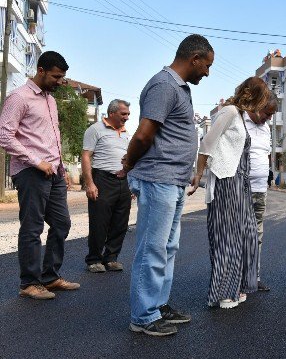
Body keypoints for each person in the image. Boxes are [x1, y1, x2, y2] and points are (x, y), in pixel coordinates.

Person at [123, 34, 214, 336]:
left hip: (172, 180)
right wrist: (128, 163)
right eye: (207, 65)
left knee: (167, 248)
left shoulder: (179, 88)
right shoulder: (164, 85)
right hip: (157, 179)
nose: (207, 72)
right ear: (194, 58)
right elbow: (143, 134)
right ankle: (143, 316)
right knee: (152, 248)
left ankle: (158, 305)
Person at [0, 51, 79, 300]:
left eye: (62, 77)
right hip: (30, 172)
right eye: (56, 76)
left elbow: (52, 138)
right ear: (41, 70)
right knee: (32, 227)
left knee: (62, 223)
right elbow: (4, 135)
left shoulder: (50, 100)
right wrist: (37, 161)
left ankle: (50, 276)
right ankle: (29, 283)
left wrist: (61, 169)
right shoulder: (19, 97)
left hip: (54, 172)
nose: (59, 81)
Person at [189, 77, 271, 309]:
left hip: (240, 183)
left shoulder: (240, 116)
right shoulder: (229, 112)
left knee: (245, 236)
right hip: (227, 181)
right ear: (252, 95)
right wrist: (199, 175)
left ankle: (238, 286)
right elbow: (206, 144)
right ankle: (224, 293)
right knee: (228, 238)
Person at [81, 99, 132, 273]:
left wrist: (130, 180)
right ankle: (94, 259)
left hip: (122, 180)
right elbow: (86, 156)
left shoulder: (125, 133)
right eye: (123, 114)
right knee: (99, 222)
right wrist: (90, 183)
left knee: (120, 222)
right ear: (112, 113)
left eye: (128, 114)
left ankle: (111, 258)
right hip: (102, 178)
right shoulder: (95, 129)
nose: (127, 117)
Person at [244, 95, 278, 292]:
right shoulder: (240, 122)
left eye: (272, 115)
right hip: (242, 188)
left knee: (257, 235)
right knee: (241, 234)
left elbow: (264, 154)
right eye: (267, 113)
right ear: (257, 107)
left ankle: (253, 278)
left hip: (260, 190)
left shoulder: (265, 128)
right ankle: (238, 279)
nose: (269, 119)